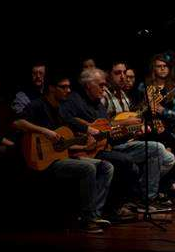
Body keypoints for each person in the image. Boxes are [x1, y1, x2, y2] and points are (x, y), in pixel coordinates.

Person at [12, 75, 114, 233]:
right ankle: (87, 220)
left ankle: (94, 214)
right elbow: (17, 123)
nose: (68, 90)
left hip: (60, 156)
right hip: (42, 161)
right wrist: (45, 131)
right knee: (88, 169)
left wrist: (87, 139)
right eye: (63, 87)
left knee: (106, 167)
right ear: (52, 88)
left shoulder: (60, 109)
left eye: (69, 87)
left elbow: (67, 136)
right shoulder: (38, 105)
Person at [61, 67, 174, 207]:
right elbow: (65, 118)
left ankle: (148, 198)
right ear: (88, 85)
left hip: (107, 145)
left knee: (156, 148)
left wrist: (131, 132)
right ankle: (124, 202)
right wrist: (88, 129)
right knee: (126, 162)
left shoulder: (99, 105)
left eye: (104, 85)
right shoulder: (75, 100)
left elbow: (109, 131)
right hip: (88, 150)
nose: (103, 88)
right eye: (100, 85)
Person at [137, 53, 175, 194]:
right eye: (159, 66)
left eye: (165, 66)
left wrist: (163, 110)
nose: (162, 69)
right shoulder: (144, 87)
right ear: (153, 69)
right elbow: (136, 110)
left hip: (170, 131)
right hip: (148, 129)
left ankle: (168, 185)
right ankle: (153, 187)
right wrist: (146, 106)